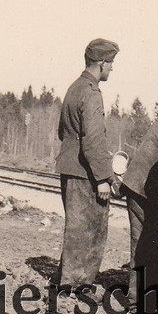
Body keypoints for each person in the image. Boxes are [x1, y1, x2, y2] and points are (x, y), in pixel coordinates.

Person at [55, 38, 119, 298]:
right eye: (111, 63)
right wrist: (104, 178)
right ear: (102, 63)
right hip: (86, 172)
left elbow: (62, 131)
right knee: (91, 228)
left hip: (72, 166)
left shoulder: (74, 88)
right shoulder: (91, 93)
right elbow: (93, 140)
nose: (112, 68)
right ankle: (79, 285)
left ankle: (66, 279)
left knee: (76, 226)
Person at [119, 110, 158, 314]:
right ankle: (139, 301)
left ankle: (139, 300)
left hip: (138, 184)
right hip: (144, 188)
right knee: (145, 244)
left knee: (142, 244)